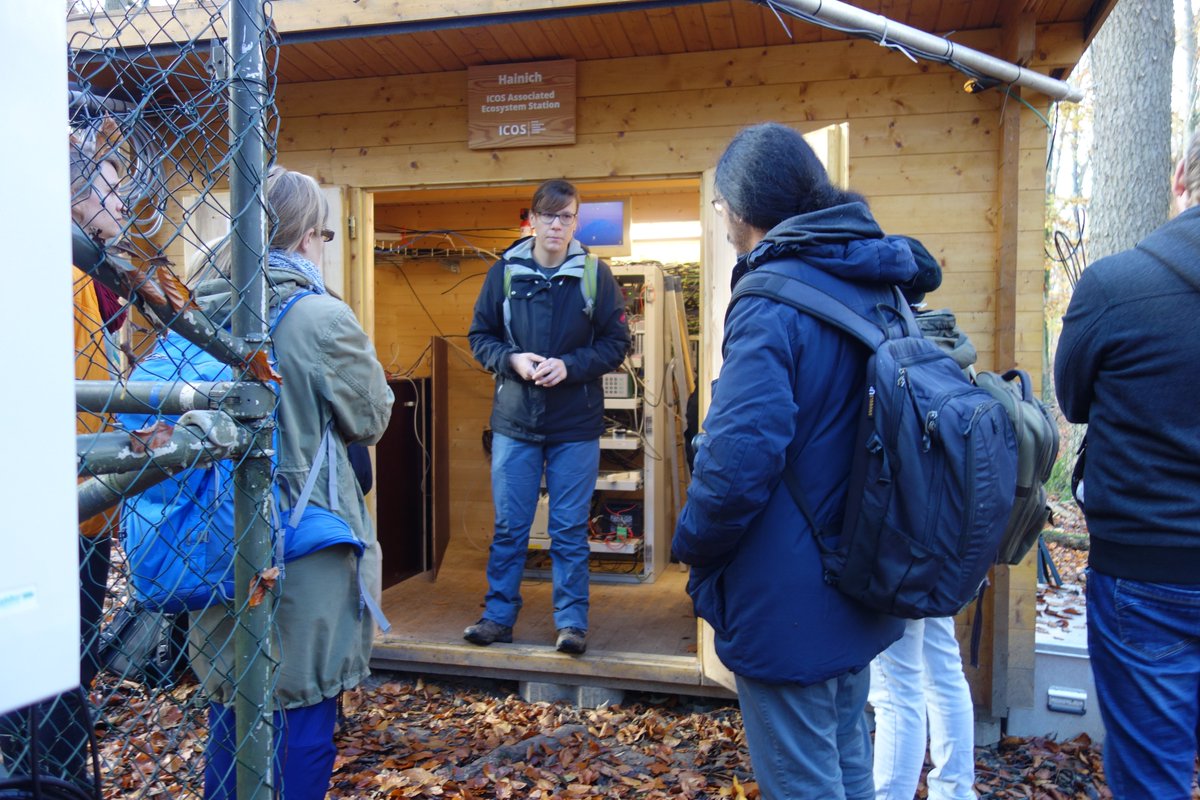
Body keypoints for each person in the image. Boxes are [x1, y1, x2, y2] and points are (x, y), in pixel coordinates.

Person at [672, 122, 906, 799]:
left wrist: (694, 543)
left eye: (719, 205)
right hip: (859, 568)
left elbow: (739, 458)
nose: (719, 218)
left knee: (804, 780)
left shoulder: (771, 302)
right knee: (845, 759)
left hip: (788, 591)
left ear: (741, 209)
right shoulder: (871, 279)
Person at [178, 165, 394, 799]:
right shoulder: (318, 318)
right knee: (303, 710)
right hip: (302, 542)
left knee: (232, 708)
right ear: (307, 237)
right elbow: (373, 414)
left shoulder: (197, 309)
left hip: (211, 532)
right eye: (325, 234)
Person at [1055, 133, 1200, 799]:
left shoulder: (1115, 286)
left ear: (1180, 177)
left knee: (1153, 782)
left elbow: (1072, 400)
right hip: (1148, 574)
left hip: (1148, 572)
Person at [0, 136, 128, 793]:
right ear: (73, 195)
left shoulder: (90, 273)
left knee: (66, 670)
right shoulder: (52, 265)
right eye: (110, 190)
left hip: (81, 510)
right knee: (48, 677)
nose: (123, 203)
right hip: (52, 509)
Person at [464, 178, 630, 655]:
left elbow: (617, 344)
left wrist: (571, 365)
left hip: (574, 426)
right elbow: (481, 336)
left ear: (576, 222)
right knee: (511, 527)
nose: (557, 225)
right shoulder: (504, 272)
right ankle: (497, 617)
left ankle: (571, 624)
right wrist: (511, 361)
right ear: (531, 220)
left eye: (567, 217)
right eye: (549, 216)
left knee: (569, 530)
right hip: (516, 423)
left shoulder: (596, 275)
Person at [869, 236, 978, 800]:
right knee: (943, 667)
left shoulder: (899, 354)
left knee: (895, 686)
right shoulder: (953, 347)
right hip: (953, 539)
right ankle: (956, 790)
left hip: (908, 539)